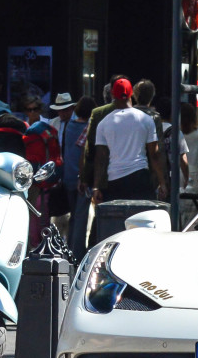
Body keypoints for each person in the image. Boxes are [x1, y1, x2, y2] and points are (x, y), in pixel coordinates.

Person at [86, 77, 165, 206]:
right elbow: (154, 154)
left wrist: (96, 187)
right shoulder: (146, 120)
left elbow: (100, 158)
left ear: (113, 95)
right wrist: (162, 182)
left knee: (118, 222)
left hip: (115, 179)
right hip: (140, 177)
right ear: (131, 94)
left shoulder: (104, 123)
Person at [59, 96, 95, 252]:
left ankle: (70, 249)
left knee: (74, 215)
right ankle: (77, 252)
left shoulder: (69, 126)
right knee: (80, 217)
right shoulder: (88, 128)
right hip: (82, 178)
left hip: (68, 176)